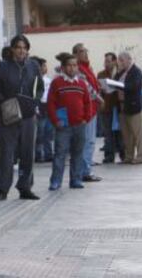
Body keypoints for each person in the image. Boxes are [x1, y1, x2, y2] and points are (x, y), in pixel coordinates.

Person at [0, 35, 44, 201]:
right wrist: (4, 103)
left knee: (28, 152)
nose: (21, 51)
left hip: (28, 115)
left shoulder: (33, 65)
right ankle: (3, 189)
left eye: (24, 48)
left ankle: (25, 187)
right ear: (12, 49)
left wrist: (34, 102)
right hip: (10, 114)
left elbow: (40, 87)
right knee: (7, 153)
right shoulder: (2, 66)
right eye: (18, 47)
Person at [47, 53, 91, 190]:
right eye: (69, 66)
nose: (72, 68)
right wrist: (56, 120)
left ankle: (76, 180)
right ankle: (56, 181)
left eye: (74, 65)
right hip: (63, 126)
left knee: (78, 154)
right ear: (63, 67)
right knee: (60, 154)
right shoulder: (56, 83)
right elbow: (50, 104)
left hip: (79, 125)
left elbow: (88, 103)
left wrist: (86, 118)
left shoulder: (82, 83)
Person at [72, 43, 102, 182]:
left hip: (92, 107)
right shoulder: (78, 69)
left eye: (85, 50)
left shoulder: (87, 68)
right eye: (81, 51)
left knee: (89, 141)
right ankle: (85, 171)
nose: (85, 53)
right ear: (76, 54)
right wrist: (99, 97)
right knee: (87, 141)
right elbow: (87, 88)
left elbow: (93, 84)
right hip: (86, 109)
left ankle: (84, 169)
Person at [116, 51, 142, 164]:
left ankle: (140, 156)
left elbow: (134, 86)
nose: (120, 62)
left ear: (129, 59)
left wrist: (121, 86)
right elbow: (114, 81)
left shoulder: (136, 71)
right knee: (126, 134)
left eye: (122, 60)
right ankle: (129, 156)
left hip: (133, 106)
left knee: (137, 133)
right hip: (122, 106)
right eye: (119, 60)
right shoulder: (121, 72)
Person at [97, 53, 124, 163]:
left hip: (118, 107)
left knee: (121, 133)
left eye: (108, 61)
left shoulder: (120, 73)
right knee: (107, 133)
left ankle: (124, 154)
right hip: (106, 107)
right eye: (105, 61)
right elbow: (98, 88)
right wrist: (101, 89)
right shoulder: (101, 74)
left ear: (114, 61)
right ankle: (109, 155)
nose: (106, 63)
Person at [33, 57, 53, 163]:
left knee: (48, 133)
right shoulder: (35, 79)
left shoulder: (49, 80)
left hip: (48, 106)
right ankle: (38, 154)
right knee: (40, 133)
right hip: (40, 106)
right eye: (44, 65)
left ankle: (49, 153)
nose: (46, 68)